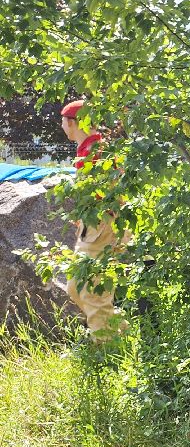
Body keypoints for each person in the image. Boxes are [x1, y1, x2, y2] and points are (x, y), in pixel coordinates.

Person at [59, 99, 126, 337]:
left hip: (102, 223)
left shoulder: (95, 151)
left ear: (71, 122)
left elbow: (111, 194)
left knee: (90, 289)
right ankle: (121, 334)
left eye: (63, 121)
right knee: (76, 287)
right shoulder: (89, 148)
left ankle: (107, 351)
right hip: (94, 224)